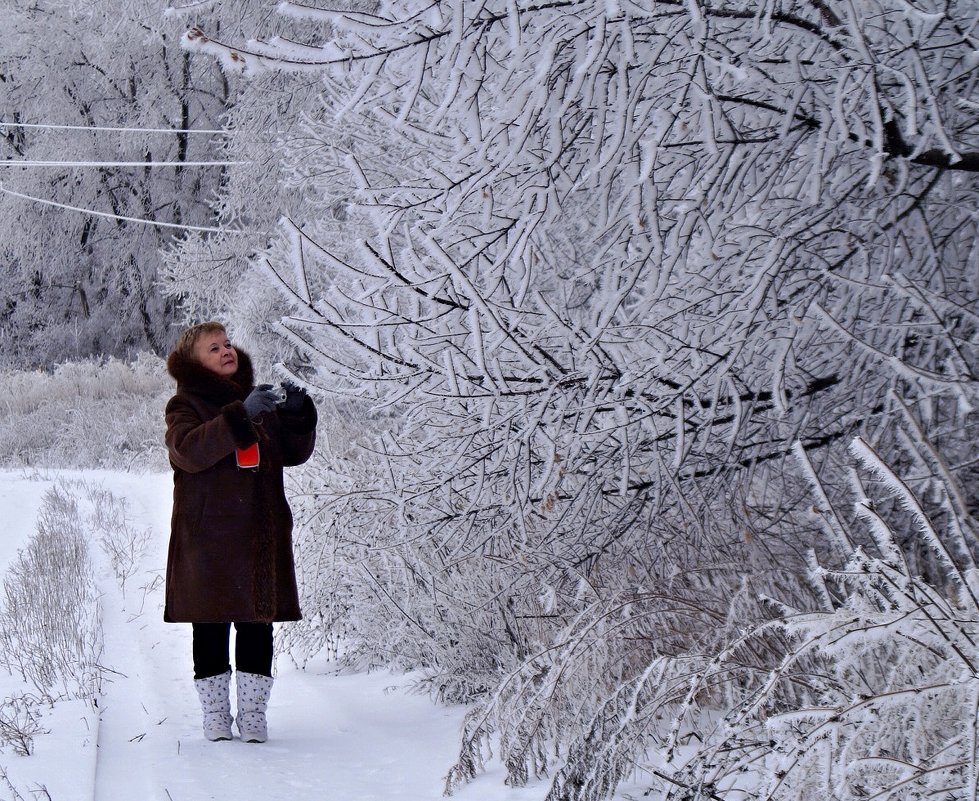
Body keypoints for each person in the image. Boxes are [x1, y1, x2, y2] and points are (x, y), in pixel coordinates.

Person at [163, 321, 317, 743]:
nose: (226, 350)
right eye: (213, 348)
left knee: (256, 623)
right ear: (196, 362)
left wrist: (297, 416)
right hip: (207, 538)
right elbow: (188, 451)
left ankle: (253, 716)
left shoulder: (256, 400)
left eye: (227, 343)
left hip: (258, 534)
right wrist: (240, 416)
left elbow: (290, 454)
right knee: (209, 625)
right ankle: (215, 716)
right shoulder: (185, 405)